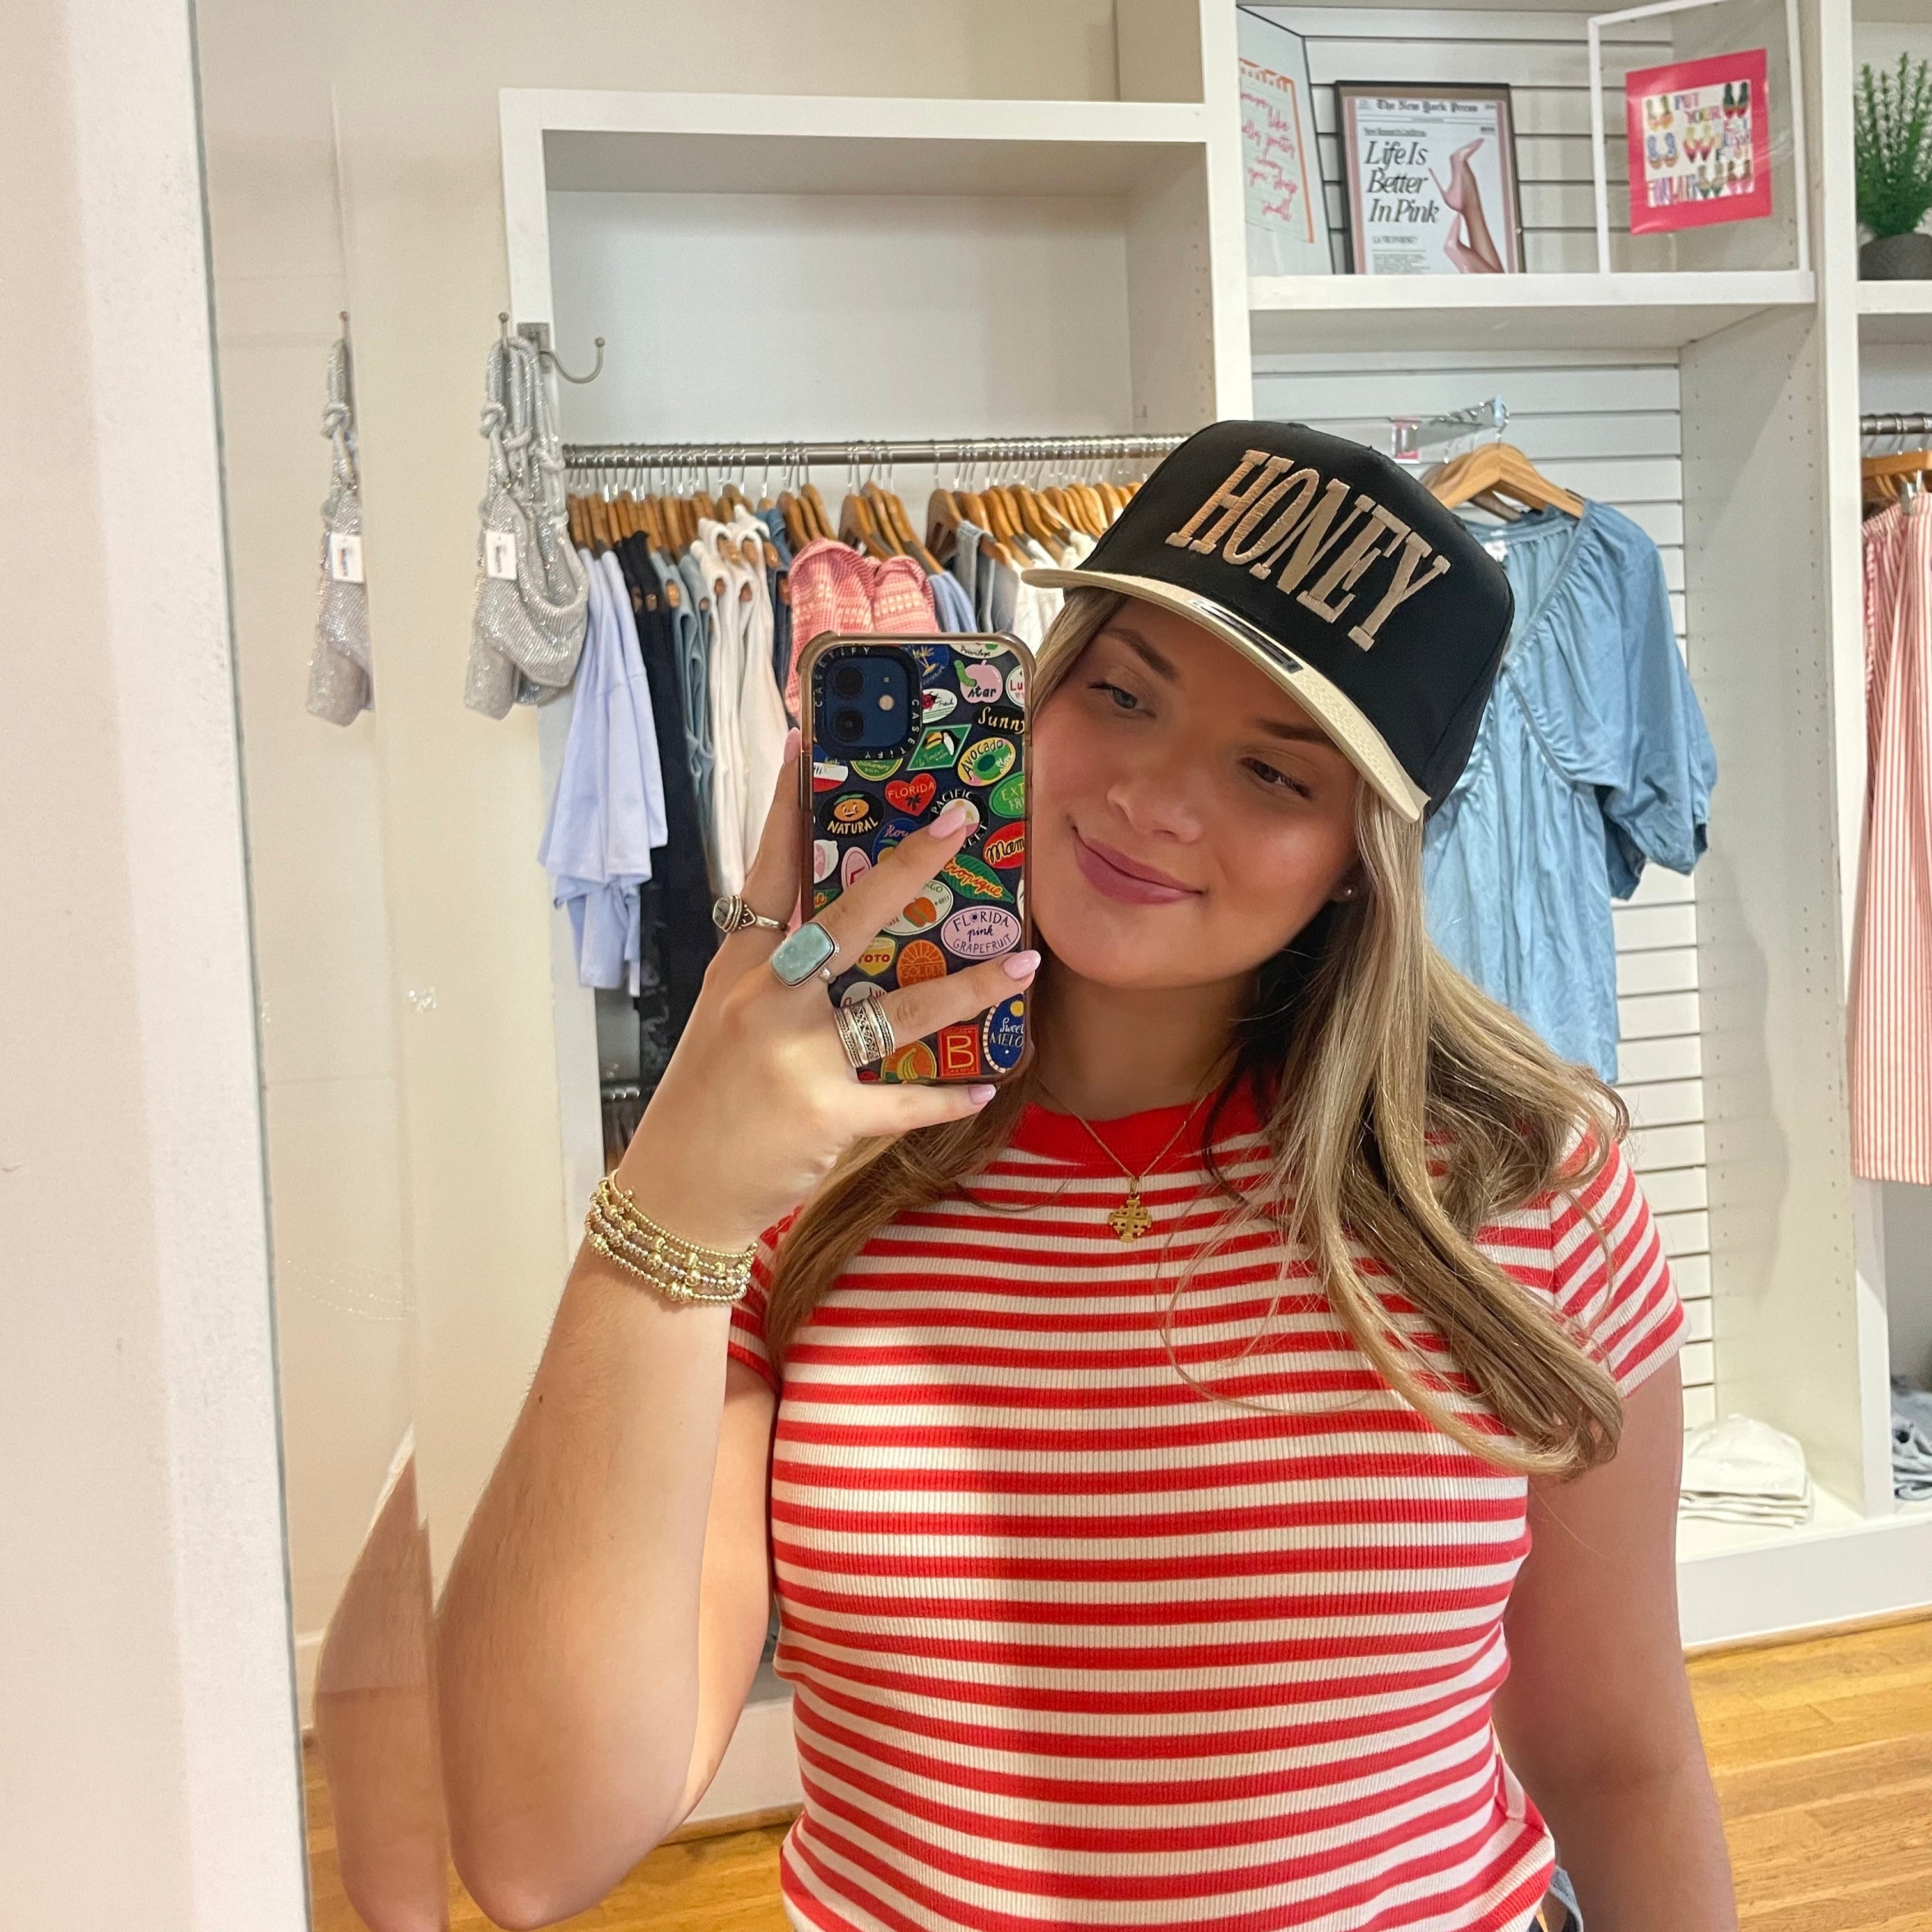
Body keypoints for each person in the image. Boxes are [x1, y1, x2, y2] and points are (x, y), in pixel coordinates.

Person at [436, 423, 1736, 1932]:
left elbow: (1619, 1759)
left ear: (1362, 854)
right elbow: (537, 1846)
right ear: (1033, 695)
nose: (1155, 799)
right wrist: (669, 1195)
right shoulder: (795, 1173)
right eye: (1123, 693)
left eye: (1274, 772)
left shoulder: (1525, 1186)